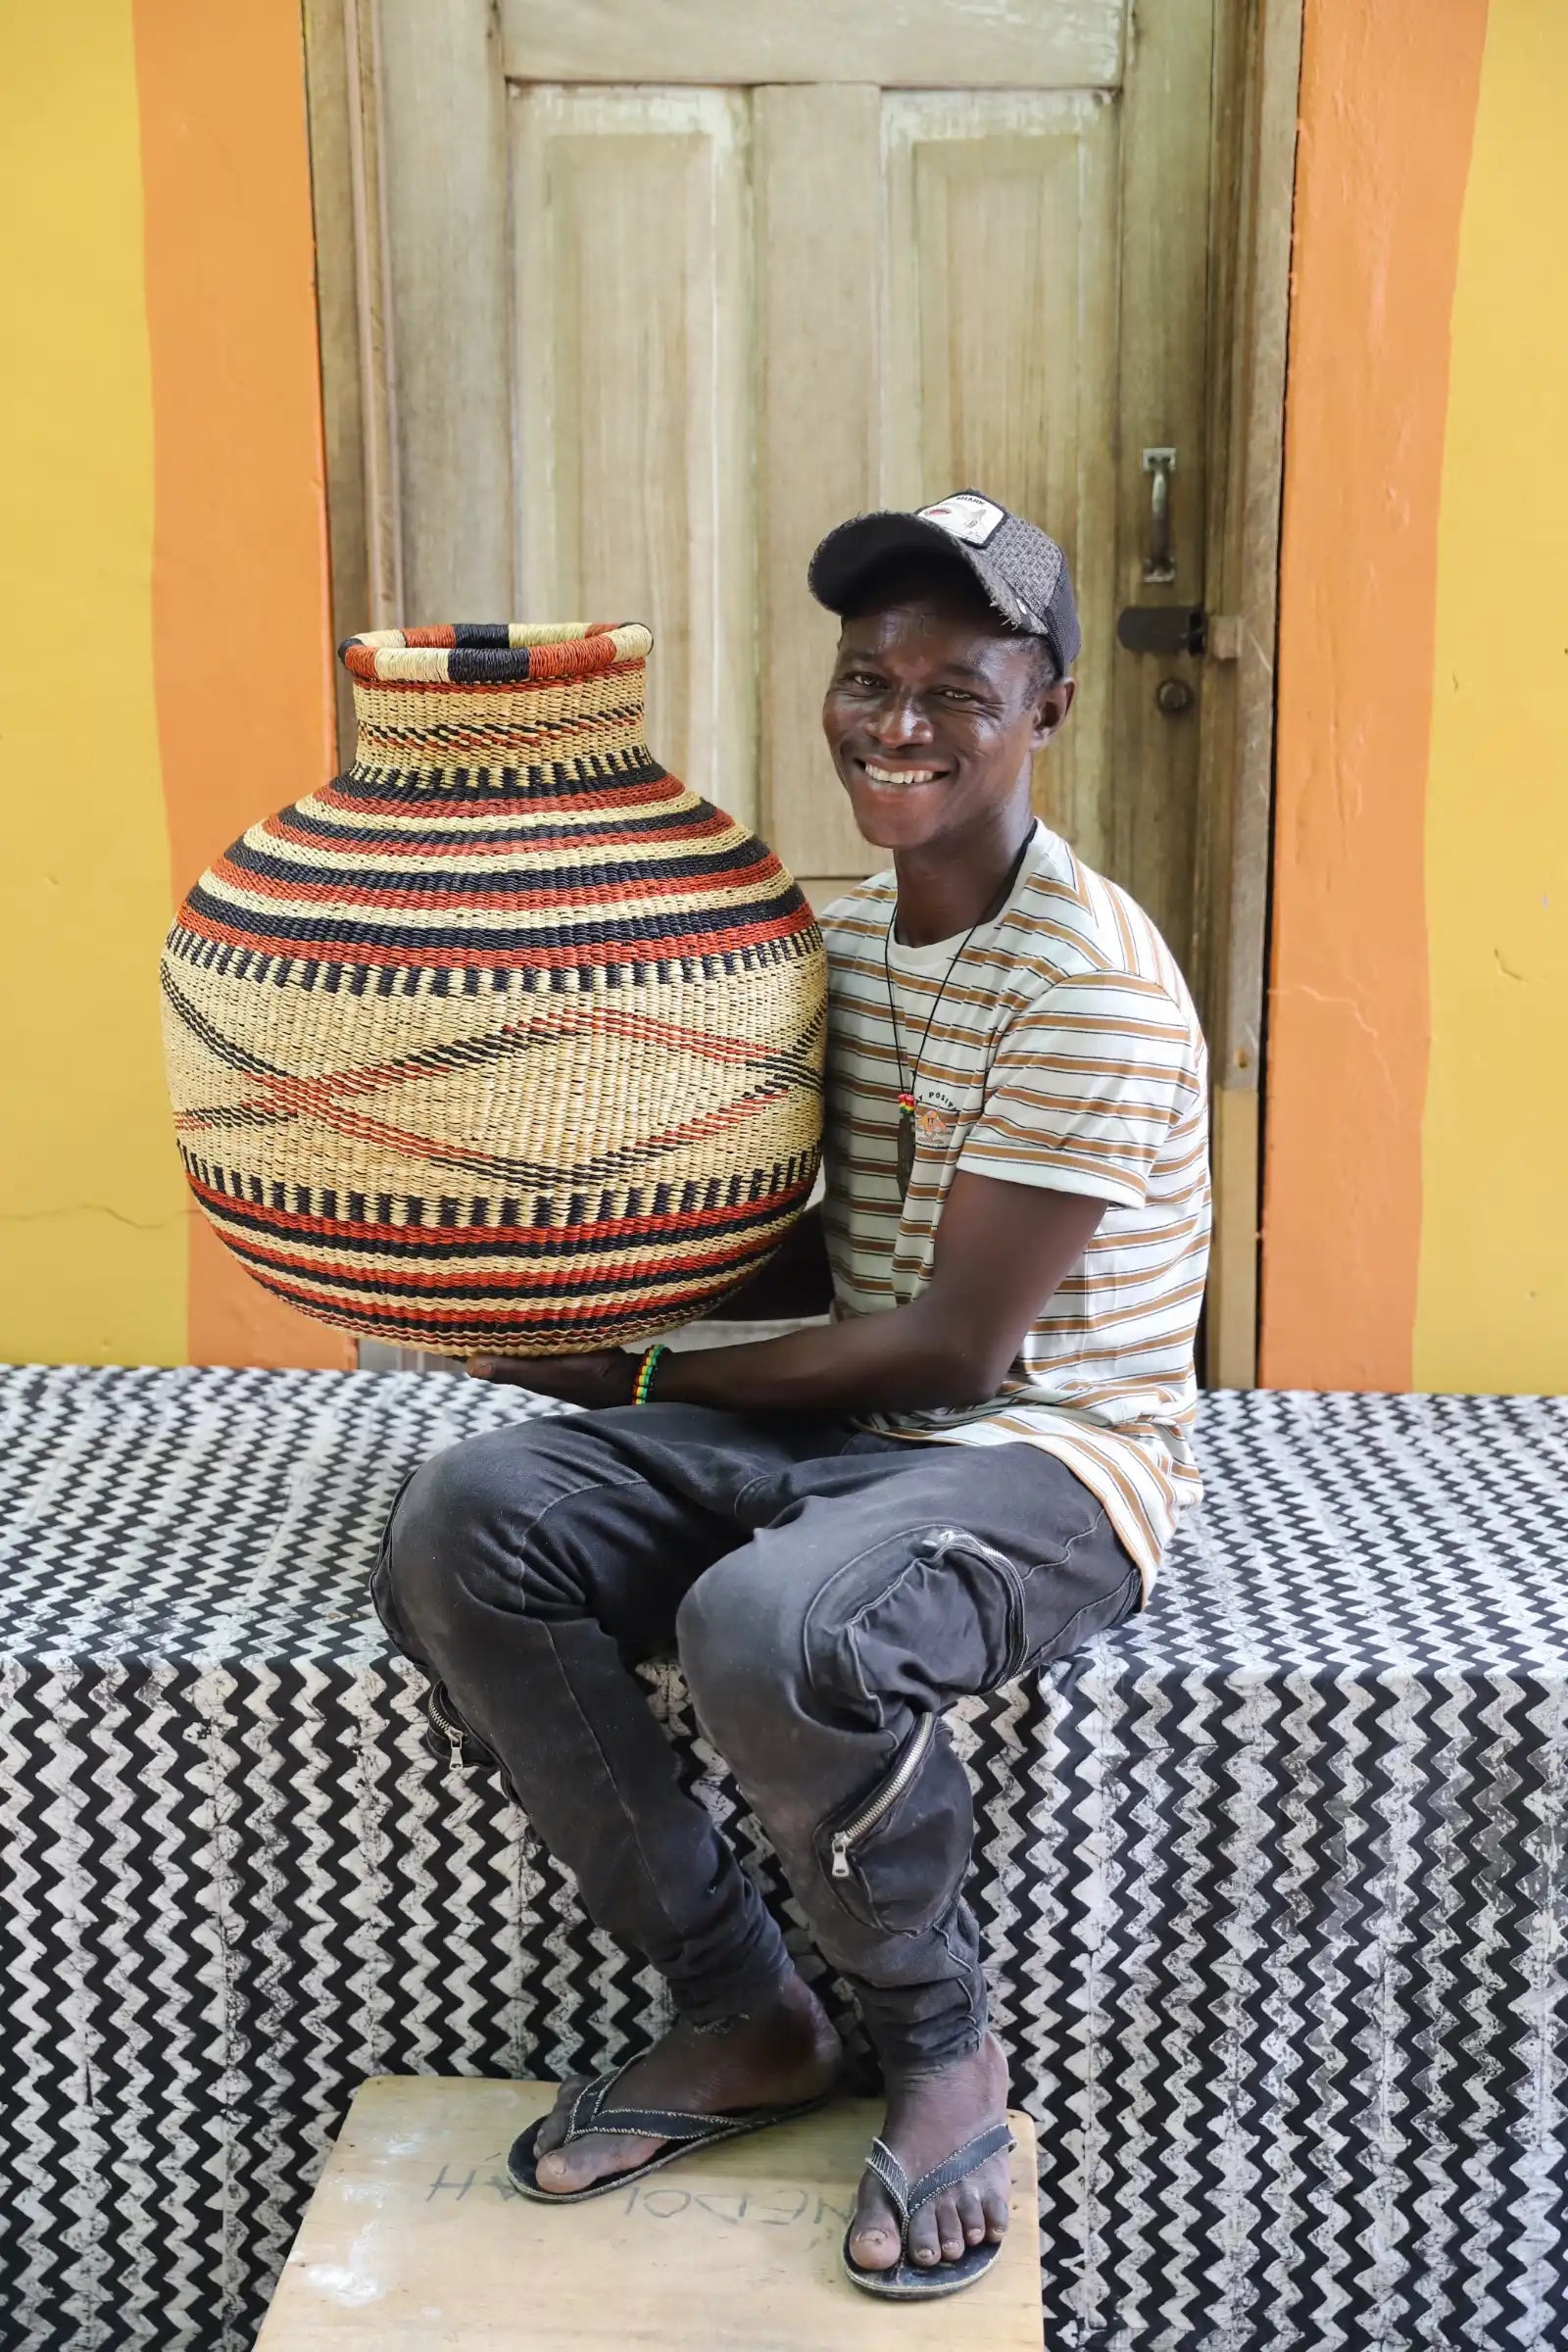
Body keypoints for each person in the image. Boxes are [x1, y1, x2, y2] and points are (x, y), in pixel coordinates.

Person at [375, 489, 1210, 2301]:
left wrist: (632, 1372)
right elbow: (798, 1244)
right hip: (852, 1429)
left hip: (1047, 1455)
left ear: (1049, 707)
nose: (897, 723)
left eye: (956, 690)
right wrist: (526, 1277)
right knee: (468, 1519)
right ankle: (744, 2012)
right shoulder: (842, 938)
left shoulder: (1091, 983)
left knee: (775, 1624)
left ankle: (942, 2047)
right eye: (867, 679)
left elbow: (954, 1348)